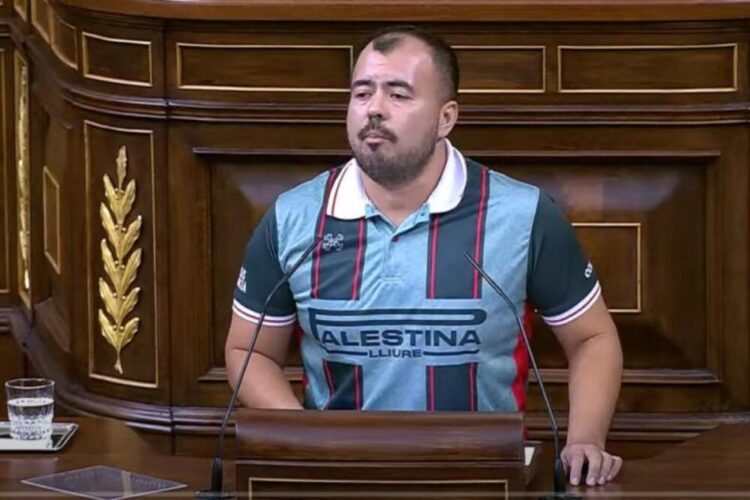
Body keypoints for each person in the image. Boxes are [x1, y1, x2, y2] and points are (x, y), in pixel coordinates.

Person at [225, 25, 623, 487]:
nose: (374, 109)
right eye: (361, 93)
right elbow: (248, 351)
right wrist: (310, 439)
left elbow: (592, 339)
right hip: (338, 481)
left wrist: (585, 439)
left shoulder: (523, 215)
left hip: (485, 480)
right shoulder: (293, 218)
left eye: (398, 95)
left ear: (446, 117)